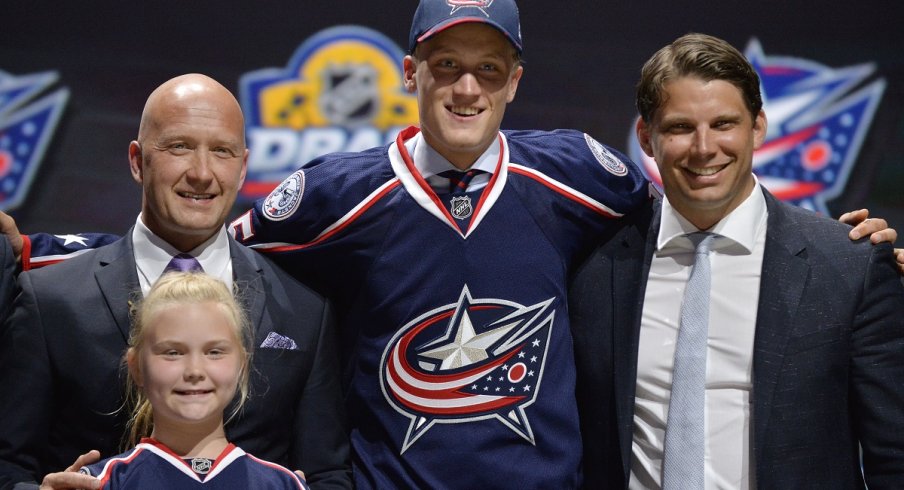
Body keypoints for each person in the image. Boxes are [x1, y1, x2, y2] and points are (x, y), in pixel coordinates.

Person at [3, 4, 899, 488]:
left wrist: (832, 244)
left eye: (488, 68)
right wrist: (42, 249)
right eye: (445, 66)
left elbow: (700, 212)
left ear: (515, 79)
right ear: (411, 73)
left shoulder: (581, 176)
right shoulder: (330, 193)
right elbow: (197, 244)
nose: (465, 86)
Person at [569, 33, 904, 489]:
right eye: (680, 127)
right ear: (647, 138)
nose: (704, 148)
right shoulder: (592, 265)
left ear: (758, 127)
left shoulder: (849, 265)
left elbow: (895, 454)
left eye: (724, 124)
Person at [0, 74, 351, 490]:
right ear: (137, 161)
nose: (202, 173)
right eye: (179, 147)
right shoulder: (51, 298)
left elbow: (328, 475)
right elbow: (8, 466)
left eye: (221, 151)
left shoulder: (305, 309)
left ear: (242, 169)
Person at [78, 272, 308, 489]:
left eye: (215, 352)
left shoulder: (282, 484)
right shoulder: (101, 482)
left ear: (242, 366)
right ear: (137, 367)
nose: (194, 370)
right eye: (173, 352)